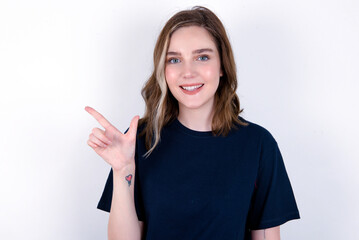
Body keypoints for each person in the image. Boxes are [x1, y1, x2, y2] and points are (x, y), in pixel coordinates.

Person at [85, 6, 300, 240]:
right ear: (163, 70)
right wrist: (123, 170)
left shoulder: (258, 145)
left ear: (222, 66)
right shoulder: (141, 139)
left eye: (202, 57)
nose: (188, 72)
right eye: (175, 59)